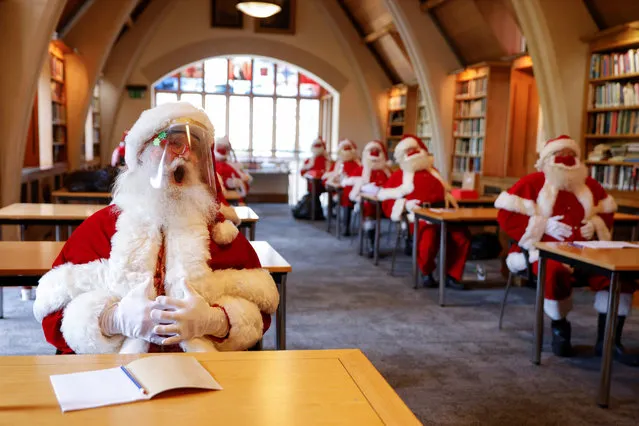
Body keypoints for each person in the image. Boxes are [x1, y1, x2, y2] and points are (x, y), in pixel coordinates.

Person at [34, 102, 279, 354]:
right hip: (116, 376)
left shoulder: (219, 233)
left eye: (193, 148)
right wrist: (111, 320)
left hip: (203, 372)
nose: (181, 155)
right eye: (165, 141)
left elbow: (262, 309)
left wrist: (216, 321)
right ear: (140, 154)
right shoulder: (101, 228)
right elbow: (52, 313)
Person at [496, 135, 637, 365]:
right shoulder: (531, 183)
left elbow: (607, 210)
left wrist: (596, 224)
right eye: (560, 156)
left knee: (617, 274)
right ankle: (560, 327)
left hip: (587, 253)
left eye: (572, 157)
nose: (566, 161)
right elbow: (505, 214)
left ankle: (610, 340)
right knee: (553, 271)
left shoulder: (589, 185)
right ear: (547, 160)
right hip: (542, 253)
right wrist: (542, 224)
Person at [377, 135, 470, 288]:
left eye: (416, 150)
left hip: (444, 213)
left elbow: (446, 192)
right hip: (420, 216)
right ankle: (426, 272)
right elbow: (386, 199)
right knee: (428, 240)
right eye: (409, 151)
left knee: (462, 237)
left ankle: (452, 275)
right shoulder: (398, 175)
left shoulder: (434, 172)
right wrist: (405, 205)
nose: (414, 153)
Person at [349, 140, 392, 256]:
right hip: (368, 203)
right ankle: (371, 244)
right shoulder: (361, 170)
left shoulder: (386, 171)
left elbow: (392, 184)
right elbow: (350, 183)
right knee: (369, 212)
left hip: (385, 202)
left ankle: (408, 240)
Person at [323, 139, 361, 236]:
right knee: (343, 198)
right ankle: (340, 222)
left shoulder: (357, 164)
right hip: (340, 189)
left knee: (346, 199)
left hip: (355, 191)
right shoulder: (338, 164)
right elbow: (331, 176)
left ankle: (345, 226)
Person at [299, 137, 331, 220]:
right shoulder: (310, 160)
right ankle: (315, 213)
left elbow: (330, 171)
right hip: (312, 185)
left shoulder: (327, 160)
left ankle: (317, 213)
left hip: (324, 184)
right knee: (313, 194)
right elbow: (302, 172)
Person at [213, 136, 252, 200]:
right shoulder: (214, 165)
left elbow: (245, 182)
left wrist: (243, 179)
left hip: (236, 197)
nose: (223, 149)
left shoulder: (233, 165)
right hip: (222, 197)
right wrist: (227, 182)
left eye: (225, 148)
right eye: (221, 147)